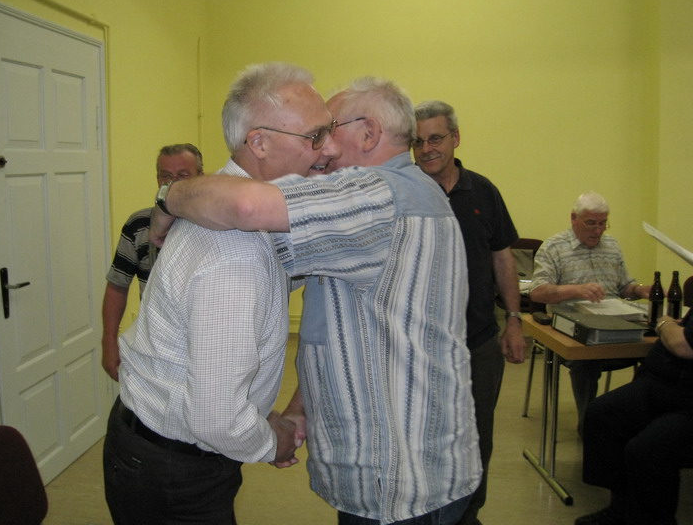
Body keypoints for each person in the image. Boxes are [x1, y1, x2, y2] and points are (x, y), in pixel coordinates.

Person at [157, 76, 481, 525]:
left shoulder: (374, 196)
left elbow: (246, 207)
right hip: (409, 468)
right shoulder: (402, 195)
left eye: (330, 129)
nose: (323, 148)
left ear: (369, 133)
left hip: (398, 480)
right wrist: (300, 408)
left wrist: (168, 195)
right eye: (316, 134)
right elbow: (347, 325)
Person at [102, 62, 337, 524]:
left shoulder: (226, 208)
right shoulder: (234, 255)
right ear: (259, 143)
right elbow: (216, 418)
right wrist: (272, 441)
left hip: (163, 450)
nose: (329, 149)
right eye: (315, 136)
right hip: (175, 469)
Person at [413, 99, 525, 525]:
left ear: (455, 139)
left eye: (435, 138)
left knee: (477, 436)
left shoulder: (484, 192)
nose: (426, 149)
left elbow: (503, 258)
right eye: (418, 142)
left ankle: (467, 515)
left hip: (477, 341)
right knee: (424, 436)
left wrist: (513, 320)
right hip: (420, 346)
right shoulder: (405, 194)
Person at [529, 191, 650, 434]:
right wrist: (575, 290)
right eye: (591, 223)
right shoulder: (553, 247)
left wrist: (639, 289)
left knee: (656, 351)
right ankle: (589, 424)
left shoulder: (612, 245)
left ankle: (641, 421)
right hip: (572, 326)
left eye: (603, 223)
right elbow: (537, 292)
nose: (598, 230)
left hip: (616, 322)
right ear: (574, 218)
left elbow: (624, 287)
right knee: (586, 361)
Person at [575, 309, 693, 525]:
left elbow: (683, 346)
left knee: (648, 449)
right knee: (603, 414)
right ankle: (621, 508)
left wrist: (665, 323)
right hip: (665, 382)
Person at [101, 143, 203, 381]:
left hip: (204, 347)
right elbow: (117, 286)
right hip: (154, 349)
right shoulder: (138, 226)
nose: (173, 183)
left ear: (201, 177)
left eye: (183, 175)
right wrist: (108, 342)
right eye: (165, 176)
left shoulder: (216, 228)